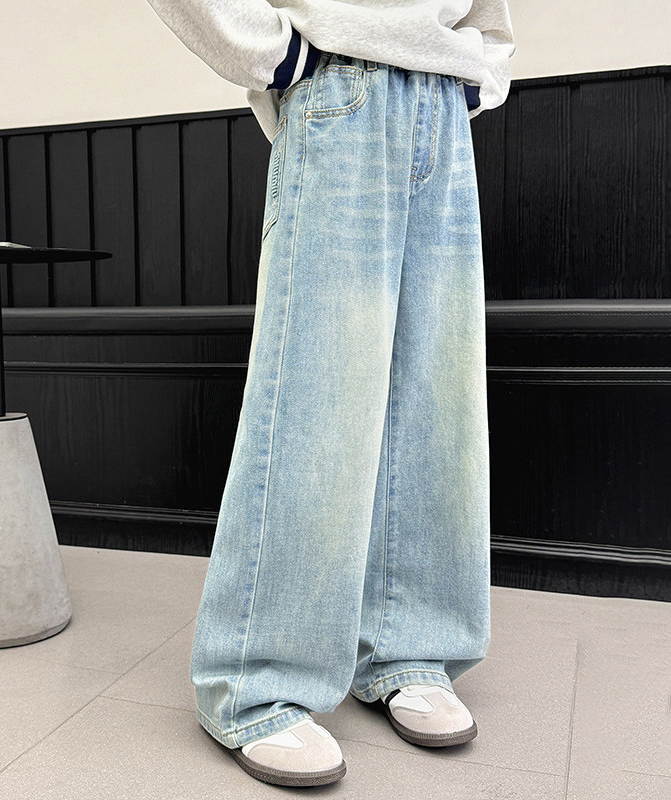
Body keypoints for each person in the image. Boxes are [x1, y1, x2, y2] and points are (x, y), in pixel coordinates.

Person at [144, 0, 516, 787]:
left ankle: (408, 645)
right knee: (314, 397)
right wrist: (282, 57)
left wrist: (475, 75)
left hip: (442, 112)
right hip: (342, 90)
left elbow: (491, 16)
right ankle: (257, 680)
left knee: (436, 399)